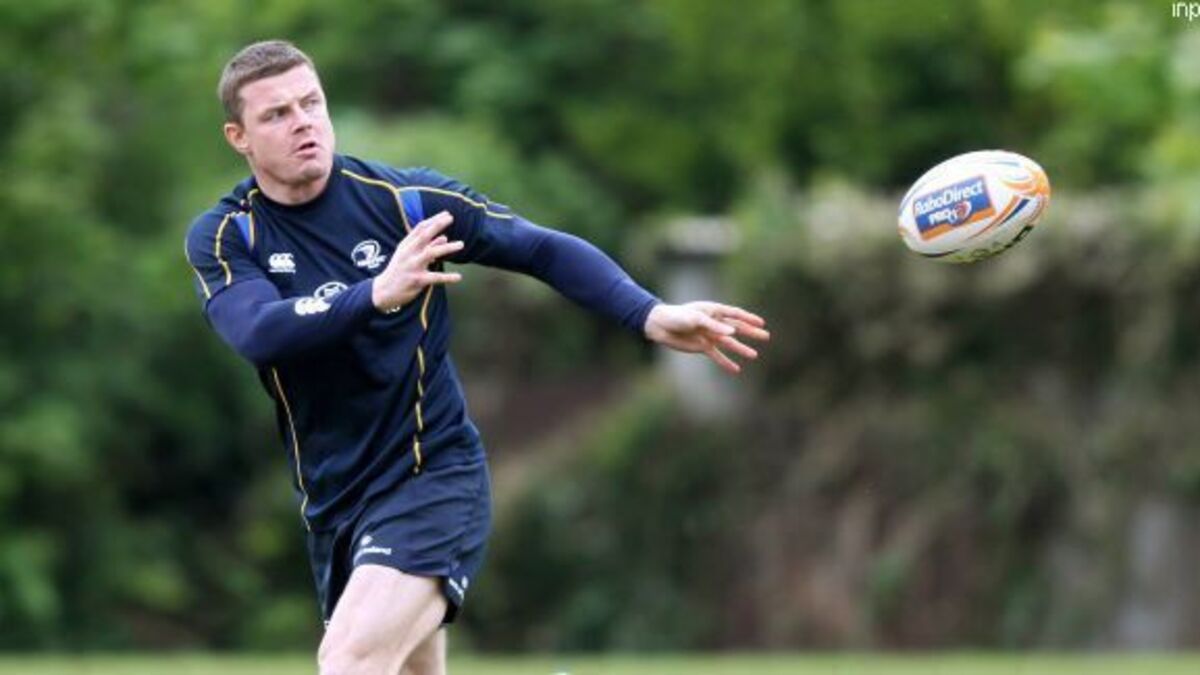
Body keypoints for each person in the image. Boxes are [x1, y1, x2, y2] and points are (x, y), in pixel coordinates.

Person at [184, 39, 769, 674]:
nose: (303, 122)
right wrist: (374, 293)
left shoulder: (405, 203)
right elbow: (258, 331)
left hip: (429, 475)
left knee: (350, 662)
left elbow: (538, 248)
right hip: (334, 500)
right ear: (238, 137)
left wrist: (648, 313)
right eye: (277, 114)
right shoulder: (229, 235)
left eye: (311, 103)